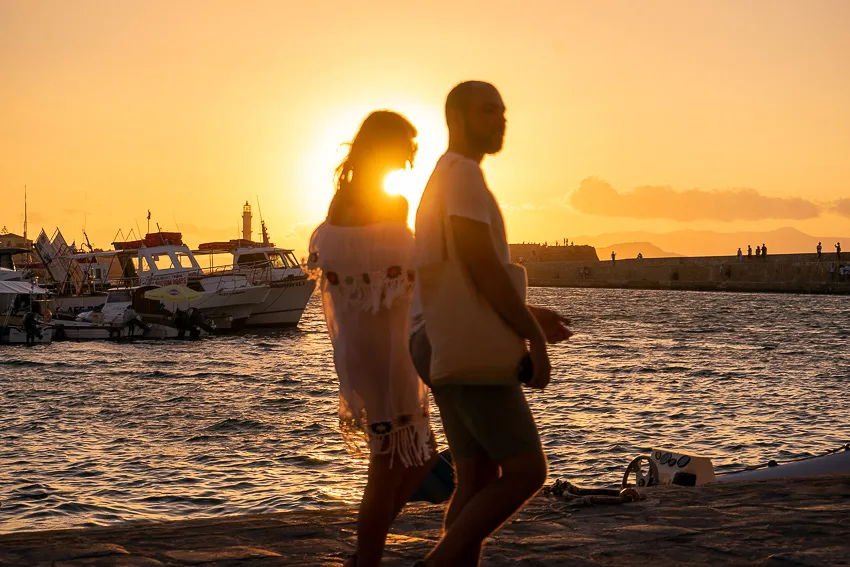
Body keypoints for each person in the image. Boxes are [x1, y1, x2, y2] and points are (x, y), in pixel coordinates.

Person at [409, 81, 572, 567]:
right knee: (526, 472)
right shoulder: (462, 177)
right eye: (487, 111)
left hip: (433, 339)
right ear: (456, 118)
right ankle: (436, 564)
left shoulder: (445, 175)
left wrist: (529, 314)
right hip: (459, 342)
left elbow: (464, 274)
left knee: (477, 479)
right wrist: (533, 337)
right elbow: (480, 263)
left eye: (502, 111)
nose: (500, 120)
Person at [307, 111, 436, 567]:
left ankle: (368, 548)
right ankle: (368, 557)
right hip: (388, 351)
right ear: (389, 147)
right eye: (407, 144)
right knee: (393, 465)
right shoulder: (393, 206)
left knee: (412, 459)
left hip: (359, 349)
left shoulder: (338, 207)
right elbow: (414, 273)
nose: (411, 154)